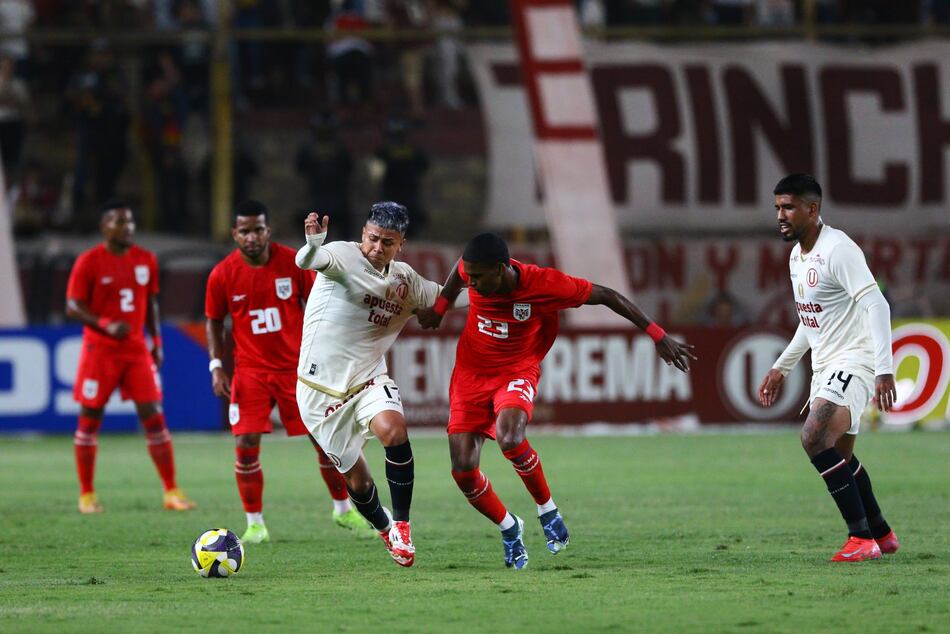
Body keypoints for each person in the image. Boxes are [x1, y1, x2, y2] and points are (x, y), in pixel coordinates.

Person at [416, 233, 696, 569]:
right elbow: (456, 275)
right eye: (470, 276)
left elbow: (607, 295)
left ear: (501, 269)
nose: (471, 283)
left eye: (477, 278)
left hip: (516, 370)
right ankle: (509, 528)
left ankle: (547, 509)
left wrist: (657, 335)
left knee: (510, 438)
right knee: (463, 470)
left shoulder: (545, 284)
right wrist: (441, 309)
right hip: (469, 376)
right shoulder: (471, 269)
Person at [294, 201, 467, 567]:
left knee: (394, 430)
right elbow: (308, 262)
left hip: (369, 378)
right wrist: (312, 244)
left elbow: (451, 299)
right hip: (317, 391)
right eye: (373, 239)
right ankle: (385, 527)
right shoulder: (342, 256)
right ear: (363, 234)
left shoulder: (406, 280)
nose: (377, 248)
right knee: (358, 482)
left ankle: (402, 524)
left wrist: (502, 291)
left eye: (387, 243)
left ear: (400, 243)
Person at [204, 200, 374, 544]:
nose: (252, 237)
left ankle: (343, 510)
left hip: (298, 370)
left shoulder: (293, 264)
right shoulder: (222, 274)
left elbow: (320, 306)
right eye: (244, 231)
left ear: (268, 231)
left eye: (258, 229)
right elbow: (214, 321)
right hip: (250, 372)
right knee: (246, 443)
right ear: (234, 234)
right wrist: (217, 365)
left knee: (325, 441)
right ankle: (255, 524)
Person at [757, 173, 900, 562]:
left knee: (813, 436)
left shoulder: (838, 250)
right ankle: (881, 533)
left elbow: (877, 306)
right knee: (841, 456)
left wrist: (884, 370)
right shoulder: (796, 256)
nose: (780, 215)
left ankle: (860, 539)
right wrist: (782, 367)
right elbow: (812, 318)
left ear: (812, 208)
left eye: (788, 207)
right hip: (826, 365)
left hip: (854, 359)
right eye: (777, 208)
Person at [65, 200, 196, 514]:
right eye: (120, 222)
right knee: (90, 419)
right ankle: (86, 495)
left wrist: (157, 341)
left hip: (136, 350)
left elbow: (150, 302)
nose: (128, 228)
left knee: (154, 417)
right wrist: (106, 323)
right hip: (101, 351)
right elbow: (72, 305)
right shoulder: (89, 261)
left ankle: (171, 492)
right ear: (104, 227)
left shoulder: (145, 260)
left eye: (131, 222)